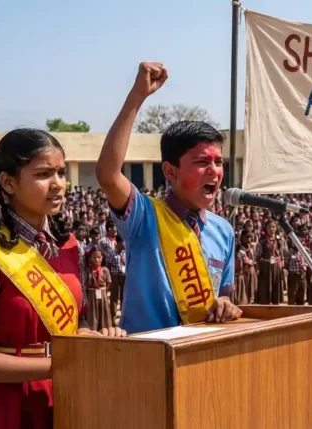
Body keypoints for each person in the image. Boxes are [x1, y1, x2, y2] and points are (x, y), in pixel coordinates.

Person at [0, 129, 124, 429]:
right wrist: (59, 365)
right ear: (9, 182)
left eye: (61, 173)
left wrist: (89, 339)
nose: (58, 184)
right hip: (6, 404)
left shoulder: (69, 245)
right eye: (43, 174)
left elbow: (77, 320)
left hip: (65, 395)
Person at [96, 62, 242, 334]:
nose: (214, 171)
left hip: (201, 351)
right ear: (170, 171)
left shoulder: (224, 231)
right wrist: (137, 96)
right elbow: (108, 174)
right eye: (202, 162)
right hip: (147, 352)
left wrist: (225, 304)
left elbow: (225, 295)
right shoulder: (144, 216)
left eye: (219, 162)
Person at [85, 247, 113, 332]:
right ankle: (93, 330)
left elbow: (108, 283)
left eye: (98, 257)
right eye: (94, 257)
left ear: (102, 258)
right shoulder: (87, 270)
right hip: (91, 295)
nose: (96, 260)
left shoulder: (105, 270)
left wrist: (104, 292)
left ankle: (105, 330)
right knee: (92, 314)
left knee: (104, 312)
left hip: (103, 294)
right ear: (90, 258)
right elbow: (85, 284)